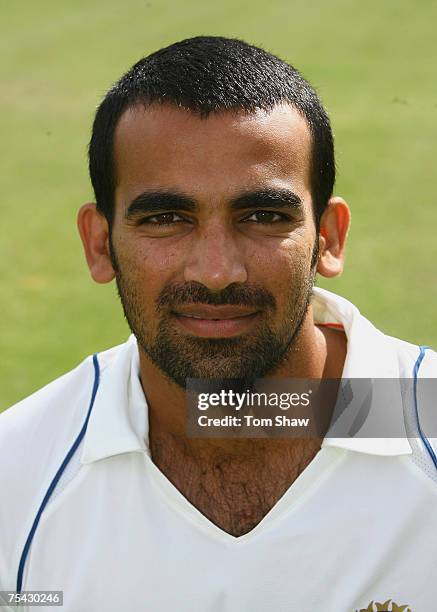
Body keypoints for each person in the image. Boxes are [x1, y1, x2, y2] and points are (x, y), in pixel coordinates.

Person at [0, 36, 436, 612]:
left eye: (262, 216)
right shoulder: (16, 480)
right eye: (165, 218)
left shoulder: (422, 422)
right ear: (99, 244)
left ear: (328, 237)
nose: (215, 272)